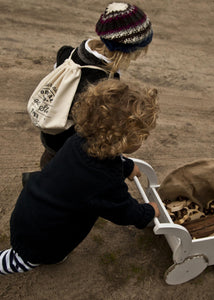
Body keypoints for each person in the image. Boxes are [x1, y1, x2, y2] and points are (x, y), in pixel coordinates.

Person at [1, 79, 160, 275]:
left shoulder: (78, 141)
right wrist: (148, 212)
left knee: (47, 247)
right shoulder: (105, 181)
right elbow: (123, 211)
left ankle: (45, 255)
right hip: (42, 237)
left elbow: (108, 159)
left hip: (30, 210)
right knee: (20, 260)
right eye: (142, 137)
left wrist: (126, 166)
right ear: (127, 140)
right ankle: (29, 259)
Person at [39, 2, 153, 168]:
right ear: (130, 49)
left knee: (50, 164)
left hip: (50, 131)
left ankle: (43, 178)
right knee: (65, 175)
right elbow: (96, 129)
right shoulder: (104, 83)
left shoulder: (71, 52)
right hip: (70, 145)